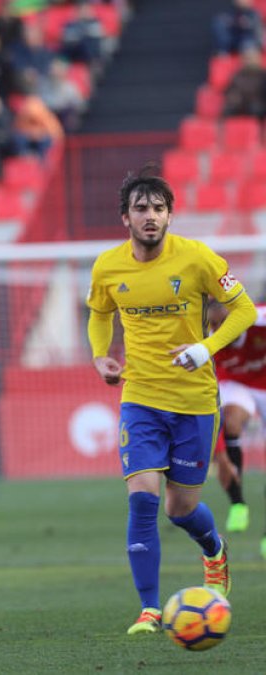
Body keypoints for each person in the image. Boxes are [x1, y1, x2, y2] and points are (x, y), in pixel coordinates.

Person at [86, 166, 257, 635]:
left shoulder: (197, 258)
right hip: (139, 397)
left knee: (179, 509)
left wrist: (205, 348)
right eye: (141, 208)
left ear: (170, 216)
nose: (150, 216)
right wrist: (101, 356)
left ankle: (214, 549)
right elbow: (100, 314)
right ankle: (149, 608)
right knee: (142, 497)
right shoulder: (108, 266)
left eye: (159, 209)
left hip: (196, 401)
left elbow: (243, 309)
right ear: (126, 217)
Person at [206, 300, 266, 556]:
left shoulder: (259, 320)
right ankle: (238, 503)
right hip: (235, 384)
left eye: (224, 323)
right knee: (228, 420)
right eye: (213, 324)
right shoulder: (204, 341)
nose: (219, 329)